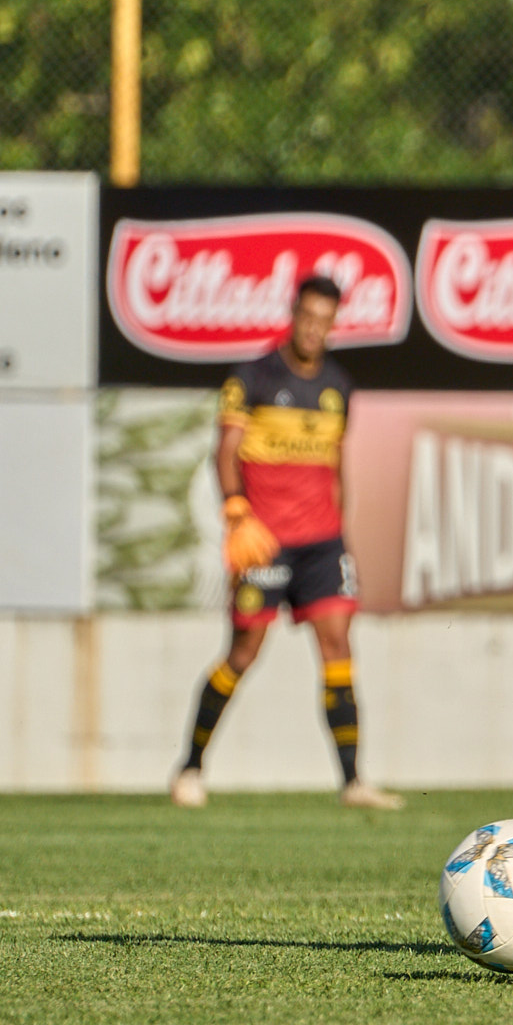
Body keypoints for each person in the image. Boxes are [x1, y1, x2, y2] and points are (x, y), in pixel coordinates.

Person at [171, 275, 402, 810]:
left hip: (322, 544)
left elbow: (336, 465)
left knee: (339, 648)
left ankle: (352, 782)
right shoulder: (252, 377)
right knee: (243, 654)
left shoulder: (338, 386)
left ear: (334, 323)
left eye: (325, 320)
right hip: (266, 544)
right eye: (307, 317)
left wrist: (341, 530)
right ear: (293, 315)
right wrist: (235, 510)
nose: (315, 329)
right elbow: (225, 451)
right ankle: (189, 768)